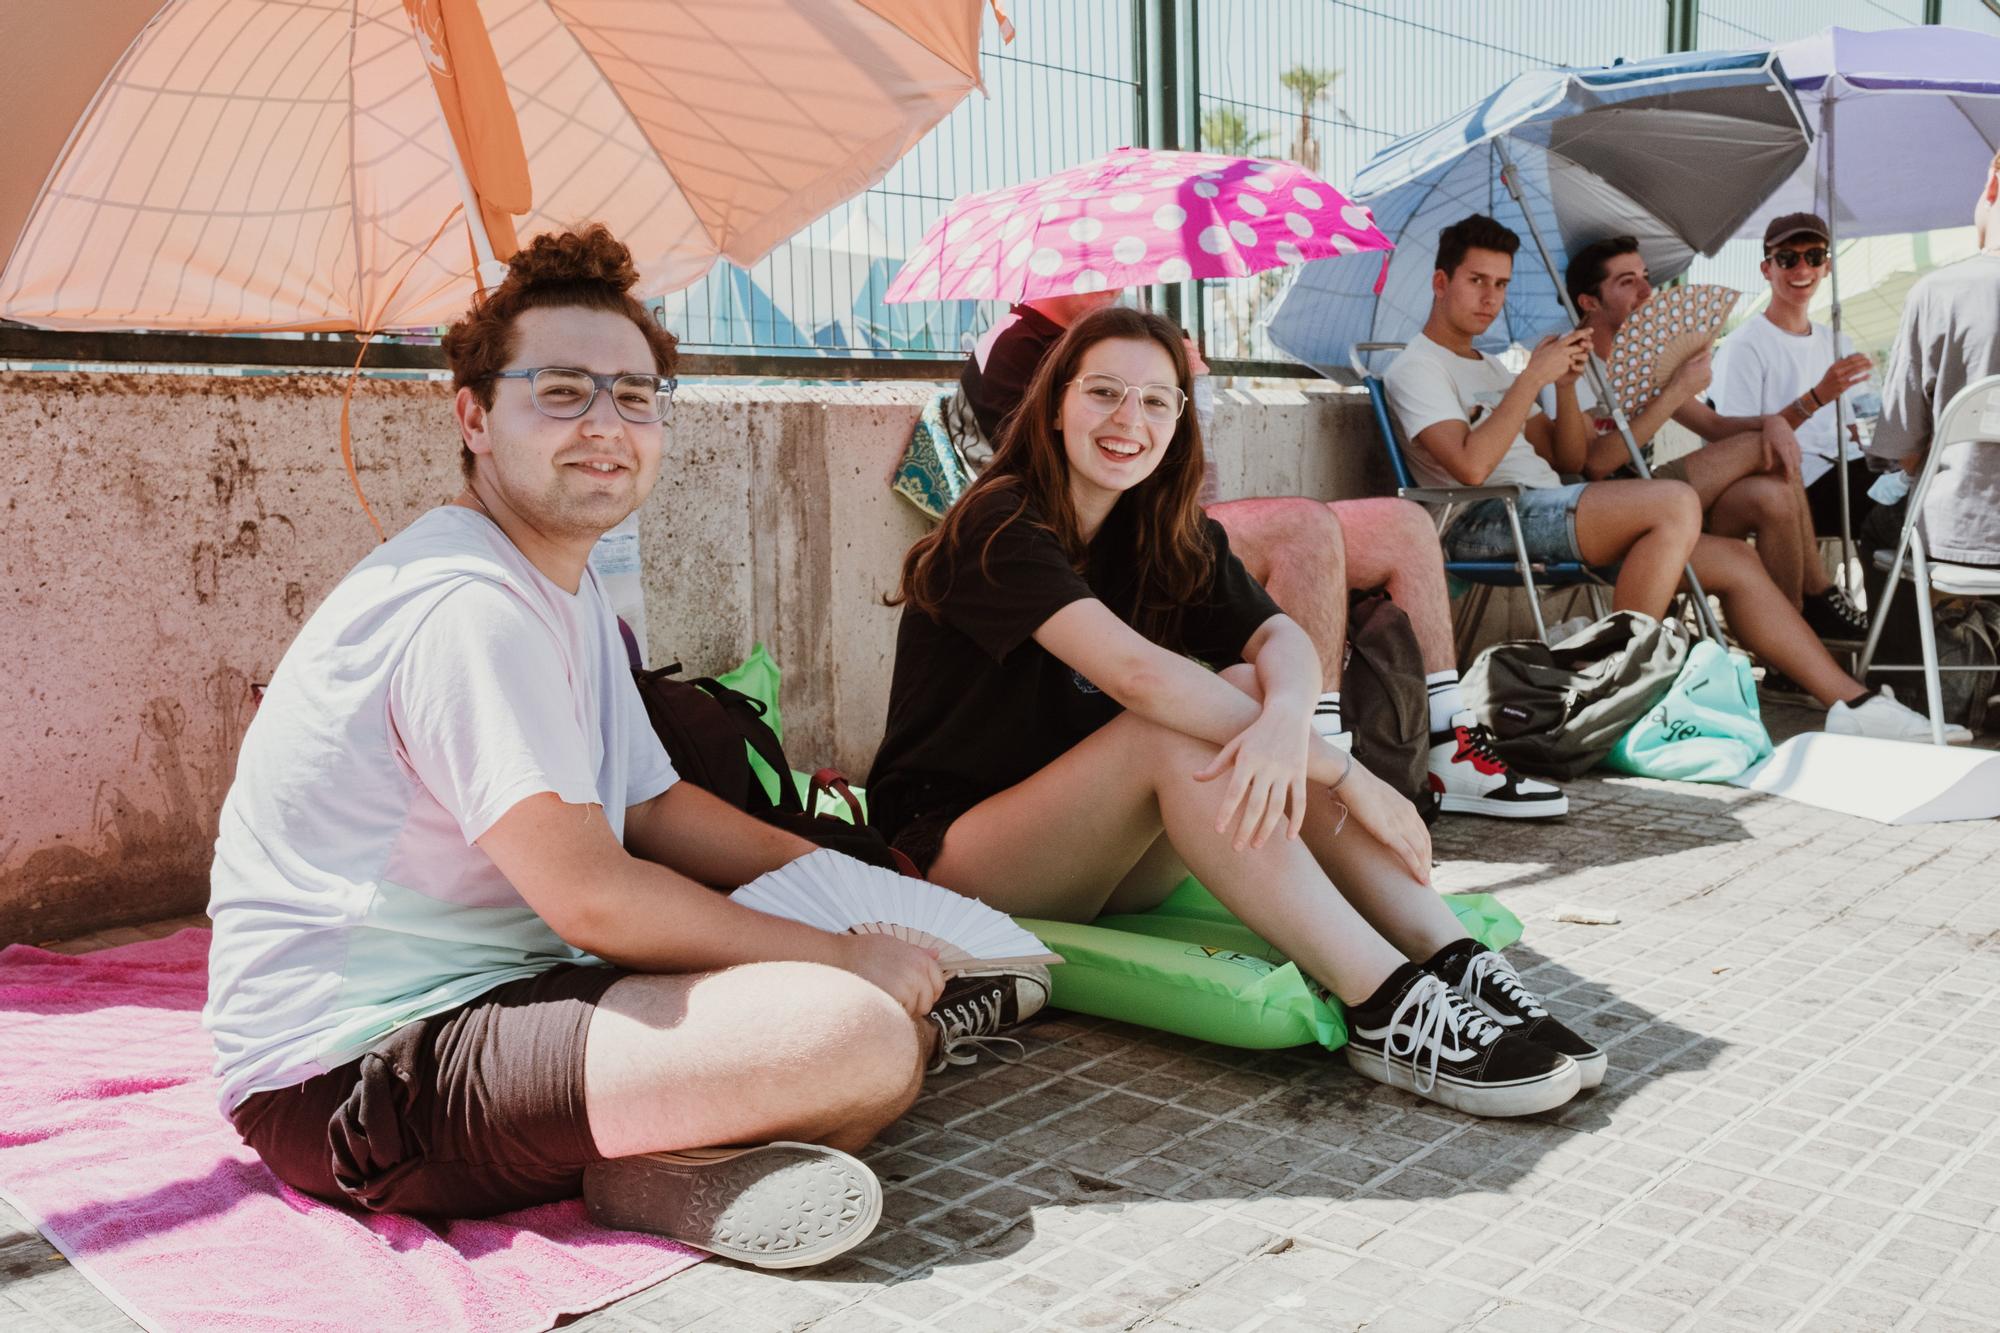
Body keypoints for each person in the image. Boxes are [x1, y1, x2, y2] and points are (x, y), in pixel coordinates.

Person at [202, 225, 1044, 1271]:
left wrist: (853, 886)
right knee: (860, 1034)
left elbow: (652, 805)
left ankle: (662, 1162)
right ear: (473, 416)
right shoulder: (469, 607)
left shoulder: (565, 585)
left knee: (868, 1023)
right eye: (560, 391)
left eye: (635, 396)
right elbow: (592, 896)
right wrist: (842, 956)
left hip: (504, 999)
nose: (606, 424)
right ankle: (674, 1142)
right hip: (349, 1076)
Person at [873, 303, 1605, 1118]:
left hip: (1100, 855)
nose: (1129, 420)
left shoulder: (1157, 528)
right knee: (1173, 725)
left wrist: (1290, 718)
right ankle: (1384, 1005)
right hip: (959, 858)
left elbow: (1280, 638)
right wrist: (1349, 772)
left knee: (1258, 698)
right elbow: (1137, 677)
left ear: (1180, 420)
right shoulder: (1000, 520)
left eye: (1156, 401)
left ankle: (1451, 954)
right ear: (1054, 405)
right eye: (1105, 393)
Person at [962, 291, 1567, 820]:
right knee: (1302, 526)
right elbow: (1082, 470)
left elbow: (1185, 474)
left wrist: (1190, 386)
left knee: (1406, 524)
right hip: (1089, 526)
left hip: (1167, 510)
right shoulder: (1017, 347)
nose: (1111, 277)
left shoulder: (1137, 346)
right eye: (1088, 261)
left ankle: (1446, 739)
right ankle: (1324, 751)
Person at [1385, 213, 1968, 744]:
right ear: (1442, 284)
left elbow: (1564, 453)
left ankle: (1854, 702)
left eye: (1501, 284)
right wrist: (1529, 378)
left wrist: (1559, 386)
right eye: (1477, 281)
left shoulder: (1488, 366)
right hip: (1488, 521)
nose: (1491, 298)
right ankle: (1621, 692)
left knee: (1736, 563)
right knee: (1673, 502)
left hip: (1550, 504)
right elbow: (1468, 468)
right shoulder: (1416, 367)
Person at [1562, 235, 1868, 639]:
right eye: (1626, 282)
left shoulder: (1642, 364)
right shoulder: (1575, 366)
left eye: (1645, 277)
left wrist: (1774, 421)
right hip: (1605, 511)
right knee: (1764, 447)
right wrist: (1676, 391)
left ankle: (1794, 632)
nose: (1646, 291)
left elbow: (1715, 427)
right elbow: (1596, 464)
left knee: (1770, 494)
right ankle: (1818, 591)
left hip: (1663, 497)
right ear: (1589, 302)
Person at [1710, 213, 1882, 558]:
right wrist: (1818, 397)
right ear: (1766, 269)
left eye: (1814, 257)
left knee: (1927, 492)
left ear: (1827, 266)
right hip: (1793, 481)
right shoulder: (1744, 345)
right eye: (1787, 259)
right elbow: (1736, 444)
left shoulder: (1837, 341)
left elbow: (1858, 428)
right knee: (1890, 512)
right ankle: (1892, 612)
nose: (1802, 269)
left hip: (1846, 467)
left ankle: (1923, 609)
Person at [1866, 150, 2000, 569]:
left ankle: (1943, 629)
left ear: (1992, 186)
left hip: (1960, 537)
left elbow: (1902, 444)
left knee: (1874, 530)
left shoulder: (1938, 294)